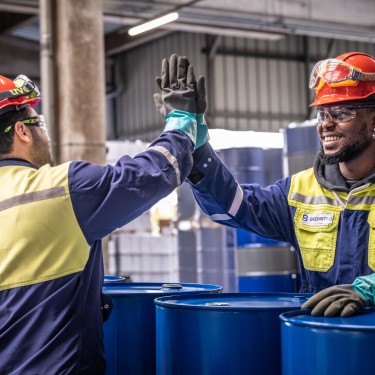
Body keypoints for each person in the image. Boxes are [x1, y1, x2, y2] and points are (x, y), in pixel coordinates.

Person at [0, 54, 198, 374]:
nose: (46, 134)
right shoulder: (60, 190)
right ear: (22, 130)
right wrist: (182, 120)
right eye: (41, 123)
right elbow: (153, 173)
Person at [155, 52, 375, 317]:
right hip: (319, 343)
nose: (327, 123)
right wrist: (197, 145)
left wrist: (370, 290)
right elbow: (234, 206)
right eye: (323, 112)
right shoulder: (299, 192)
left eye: (342, 112)